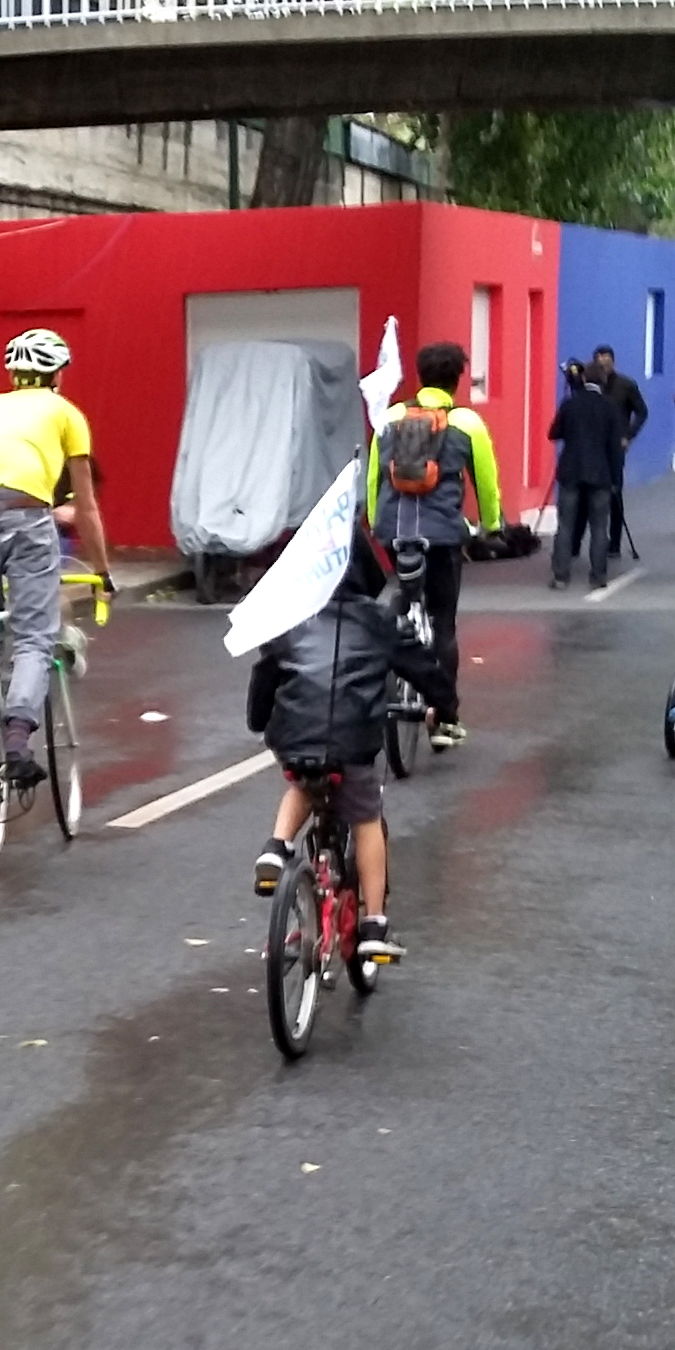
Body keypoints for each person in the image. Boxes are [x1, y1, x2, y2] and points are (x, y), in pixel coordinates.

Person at [248, 524, 457, 964]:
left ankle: (277, 847)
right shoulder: (380, 621)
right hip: (352, 744)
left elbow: (265, 678)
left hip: (294, 738)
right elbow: (424, 669)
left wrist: (260, 721)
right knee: (366, 818)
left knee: (303, 784)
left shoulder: (291, 616)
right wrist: (446, 706)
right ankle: (373, 924)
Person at [0, 326, 112, 791]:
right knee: (33, 638)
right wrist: (102, 573)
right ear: (57, 373)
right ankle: (16, 742)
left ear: (11, 373)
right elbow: (86, 507)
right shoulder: (65, 412)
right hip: (27, 515)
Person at [364, 340, 502, 750]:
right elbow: (487, 483)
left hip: (394, 528)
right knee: (444, 622)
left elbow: (374, 478)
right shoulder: (467, 423)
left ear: (420, 377)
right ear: (457, 379)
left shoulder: (389, 418)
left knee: (403, 597)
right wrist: (493, 525)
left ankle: (384, 660)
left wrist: (377, 523)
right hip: (442, 534)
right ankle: (445, 719)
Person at [547, 360, 624, 589]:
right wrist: (616, 480)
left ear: (582, 379)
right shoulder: (609, 407)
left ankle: (561, 576)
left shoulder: (570, 404)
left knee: (565, 525)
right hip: (600, 474)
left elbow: (554, 433)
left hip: (571, 471)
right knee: (600, 526)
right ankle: (598, 576)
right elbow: (615, 447)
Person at [588, 345, 649, 557]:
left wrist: (628, 435)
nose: (602, 363)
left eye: (605, 358)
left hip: (615, 447)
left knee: (614, 492)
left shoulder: (626, 385)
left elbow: (642, 412)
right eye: (598, 359)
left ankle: (614, 543)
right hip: (592, 446)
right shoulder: (590, 386)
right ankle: (579, 542)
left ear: (613, 360)